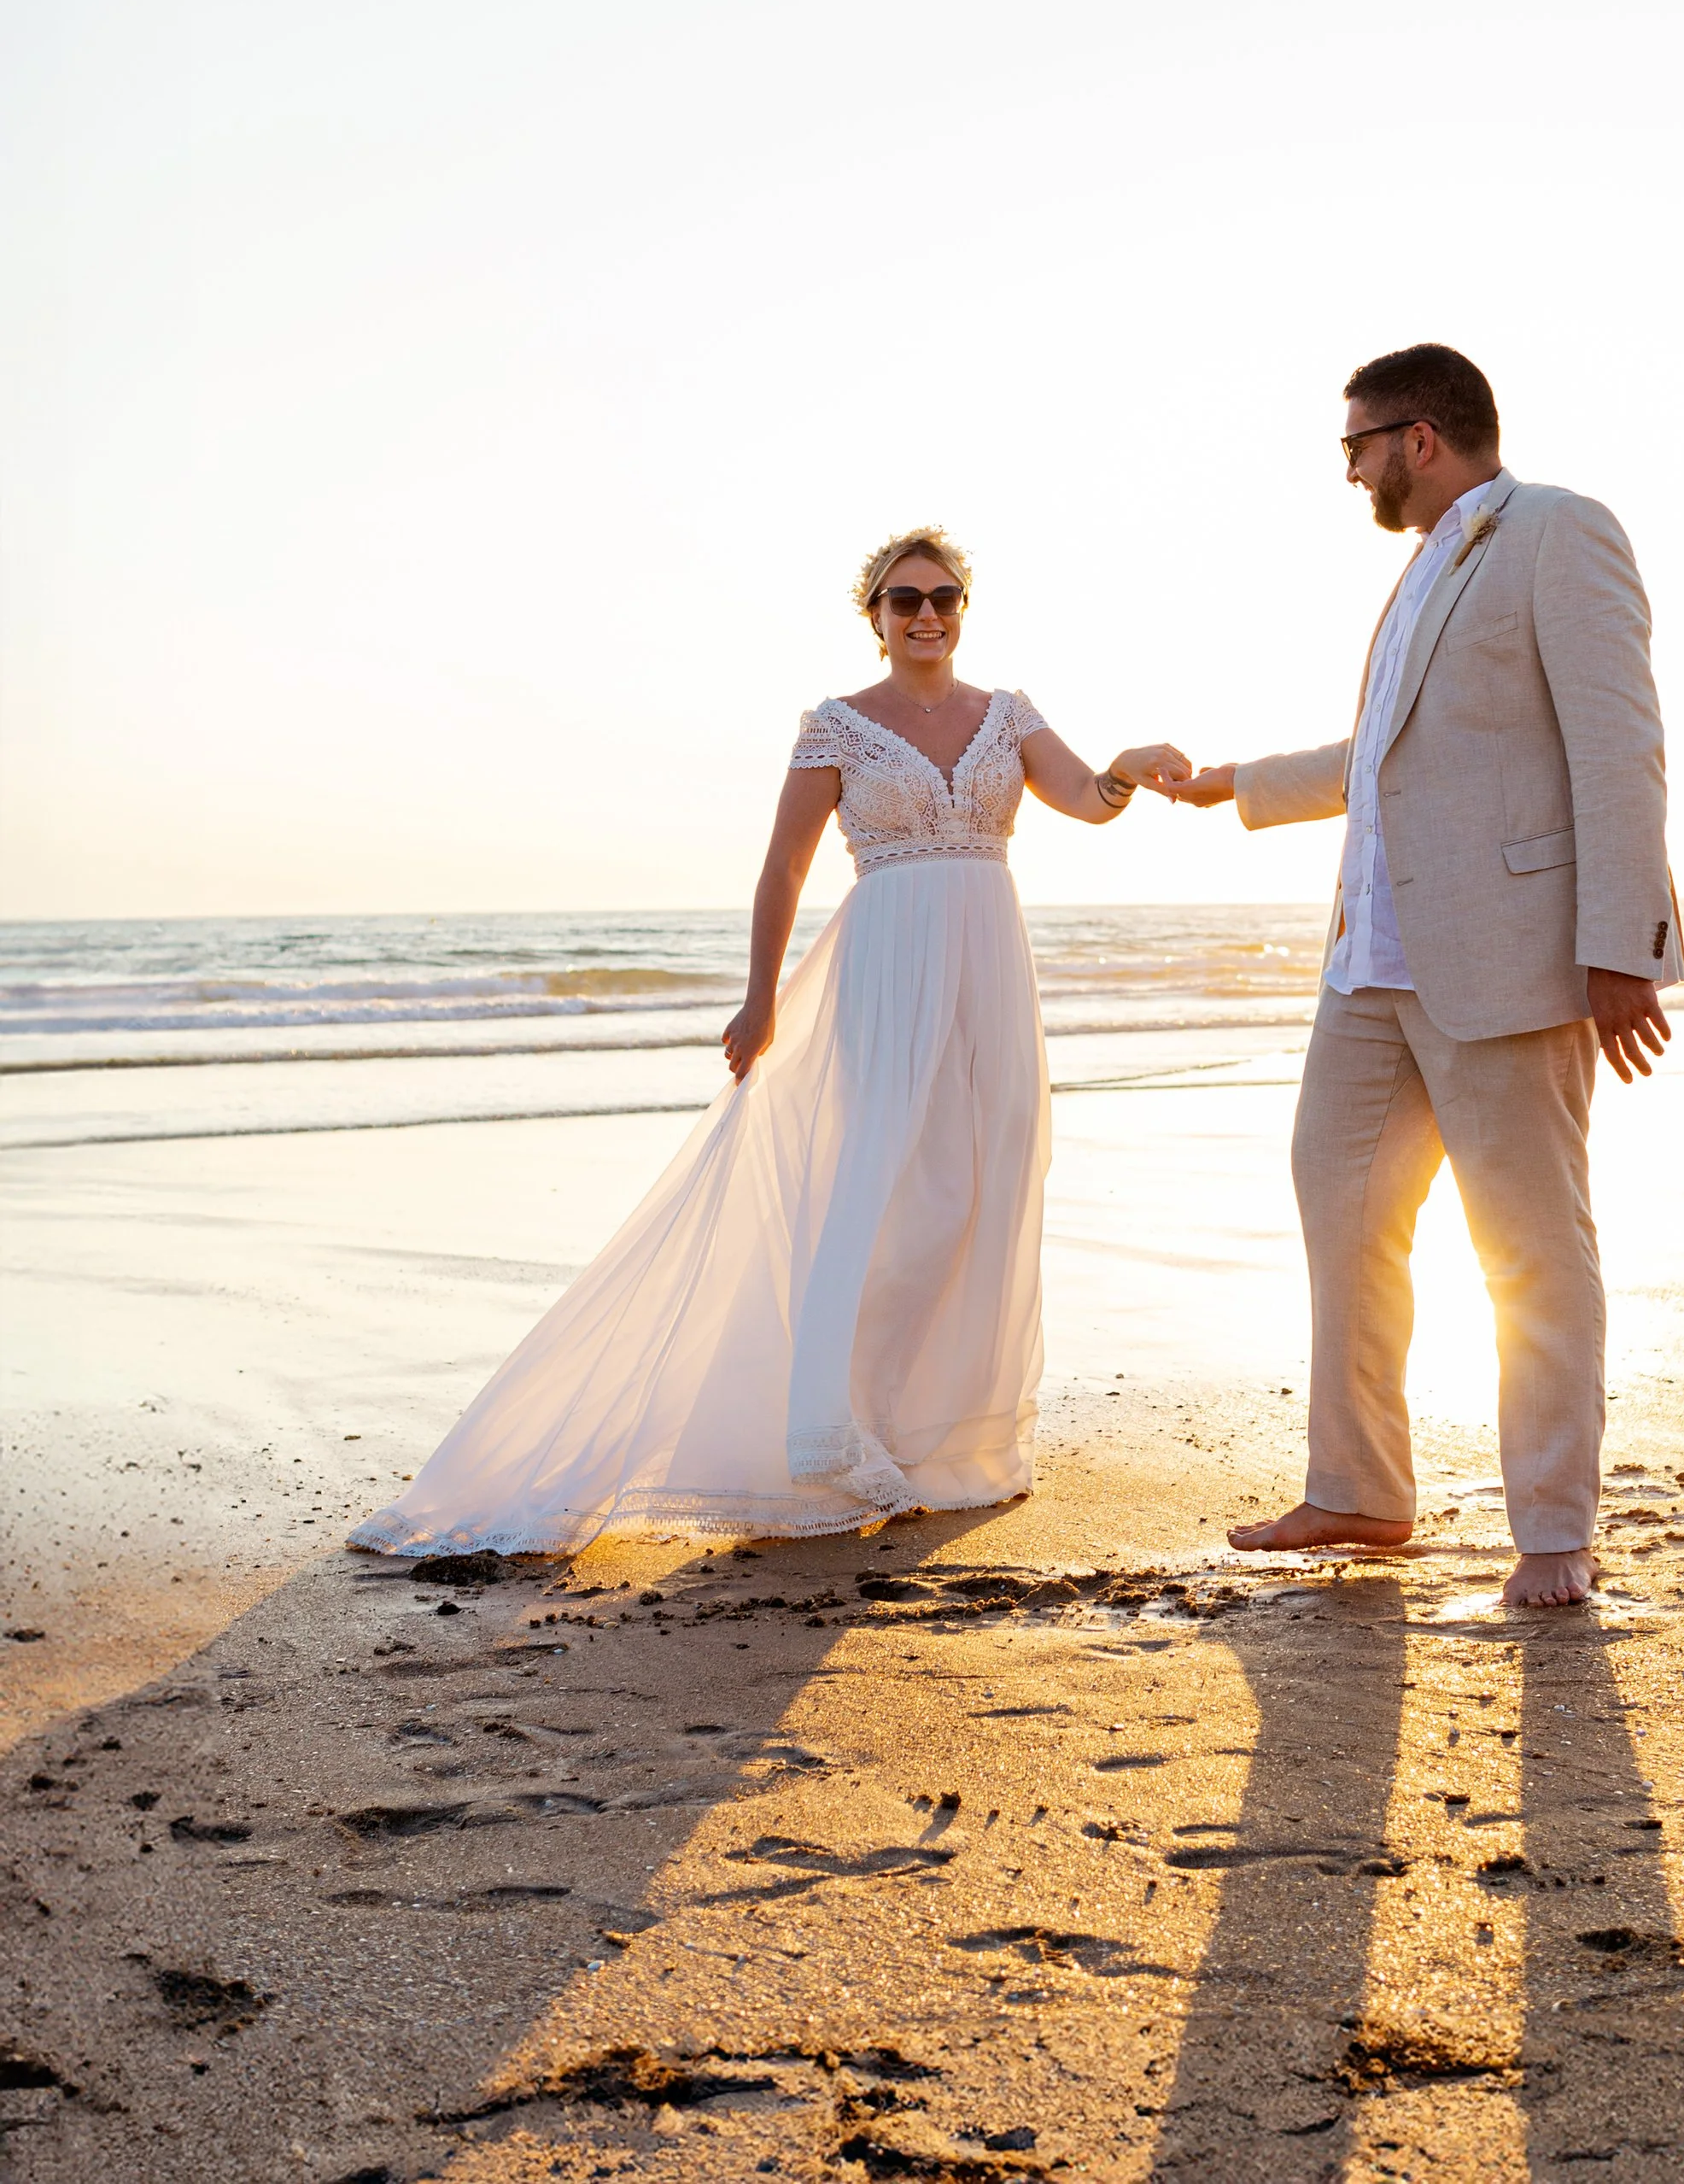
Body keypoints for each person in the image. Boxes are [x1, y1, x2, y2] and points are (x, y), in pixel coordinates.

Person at [352, 529, 1185, 1555]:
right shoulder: (836, 726)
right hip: (886, 969)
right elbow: (784, 871)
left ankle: (941, 1441)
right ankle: (831, 1431)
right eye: (903, 598)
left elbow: (1082, 801)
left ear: (964, 608)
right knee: (889, 1192)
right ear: (873, 615)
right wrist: (761, 999)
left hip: (990, 970)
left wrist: (1131, 770)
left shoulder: (1008, 713)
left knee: (984, 1186)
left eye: (944, 597)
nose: (926, 614)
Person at [1158, 344, 1681, 1608]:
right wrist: (1232, 781)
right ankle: (1361, 1488)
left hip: (1514, 959)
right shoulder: (1419, 570)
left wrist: (1620, 946)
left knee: (1532, 1245)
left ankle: (1554, 1530)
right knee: (1338, 1201)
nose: (1352, 472)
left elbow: (1621, 742)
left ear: (1423, 436)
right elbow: (1386, 754)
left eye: (1358, 447)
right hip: (1370, 966)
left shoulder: (1560, 532)